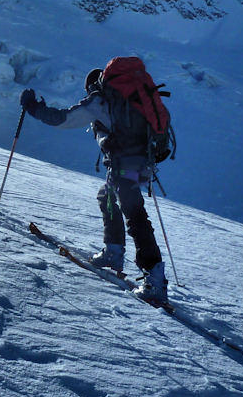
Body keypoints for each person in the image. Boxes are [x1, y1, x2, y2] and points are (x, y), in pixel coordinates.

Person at [19, 62, 168, 303]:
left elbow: (63, 119)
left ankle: (155, 280)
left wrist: (33, 107)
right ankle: (114, 251)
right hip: (139, 164)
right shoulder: (132, 98)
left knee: (134, 215)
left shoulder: (100, 100)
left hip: (125, 166)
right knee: (107, 196)